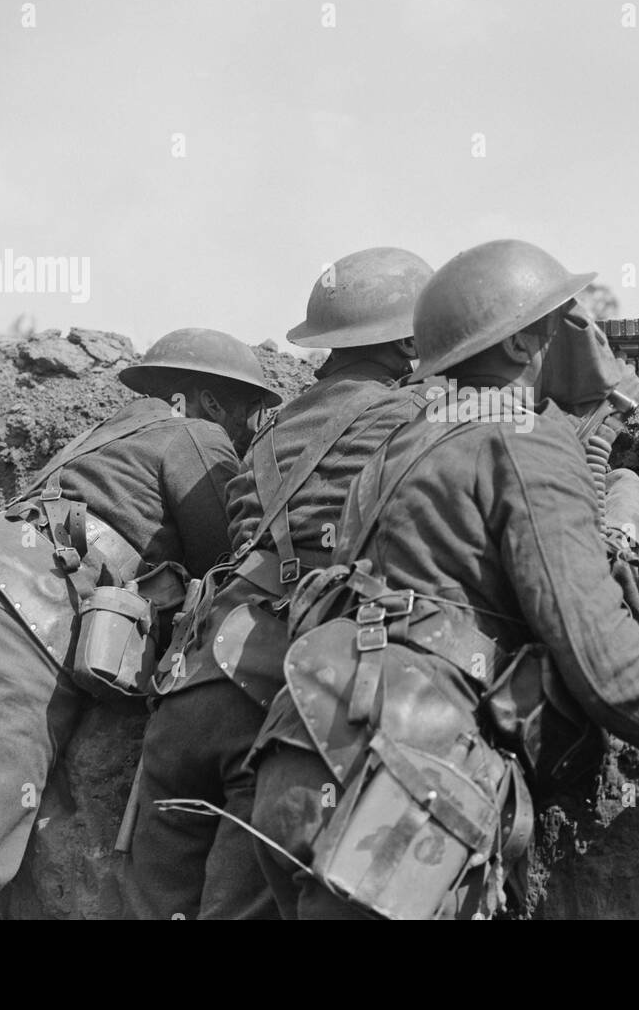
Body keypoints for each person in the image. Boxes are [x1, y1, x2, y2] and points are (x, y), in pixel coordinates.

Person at [248, 239, 639, 919]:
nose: (580, 331)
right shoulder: (521, 436)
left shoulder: (407, 439)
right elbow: (599, 651)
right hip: (405, 773)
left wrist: (588, 420)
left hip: (305, 747)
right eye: (566, 317)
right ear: (521, 340)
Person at [0, 329, 275, 920]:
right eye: (248, 413)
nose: (248, 428)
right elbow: (224, 562)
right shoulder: (197, 435)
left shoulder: (94, 442)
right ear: (210, 402)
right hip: (11, 628)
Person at [123, 248, 433, 919]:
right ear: (411, 339)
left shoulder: (265, 437)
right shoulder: (413, 417)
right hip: (272, 690)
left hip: (189, 687)